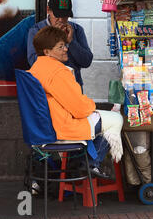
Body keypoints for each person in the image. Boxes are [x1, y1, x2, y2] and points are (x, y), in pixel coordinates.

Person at [28, 25, 123, 176]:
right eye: (60, 47)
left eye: (65, 45)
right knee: (115, 119)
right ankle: (91, 163)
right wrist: (93, 106)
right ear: (47, 52)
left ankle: (84, 162)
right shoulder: (58, 71)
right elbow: (80, 110)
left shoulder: (36, 68)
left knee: (103, 118)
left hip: (44, 127)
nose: (66, 49)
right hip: (61, 127)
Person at [27, 0, 93, 90]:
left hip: (73, 86)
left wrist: (71, 41)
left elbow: (86, 61)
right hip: (48, 87)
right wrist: (54, 38)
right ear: (48, 10)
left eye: (65, 16)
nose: (61, 20)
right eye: (57, 16)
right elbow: (33, 61)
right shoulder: (36, 30)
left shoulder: (77, 30)